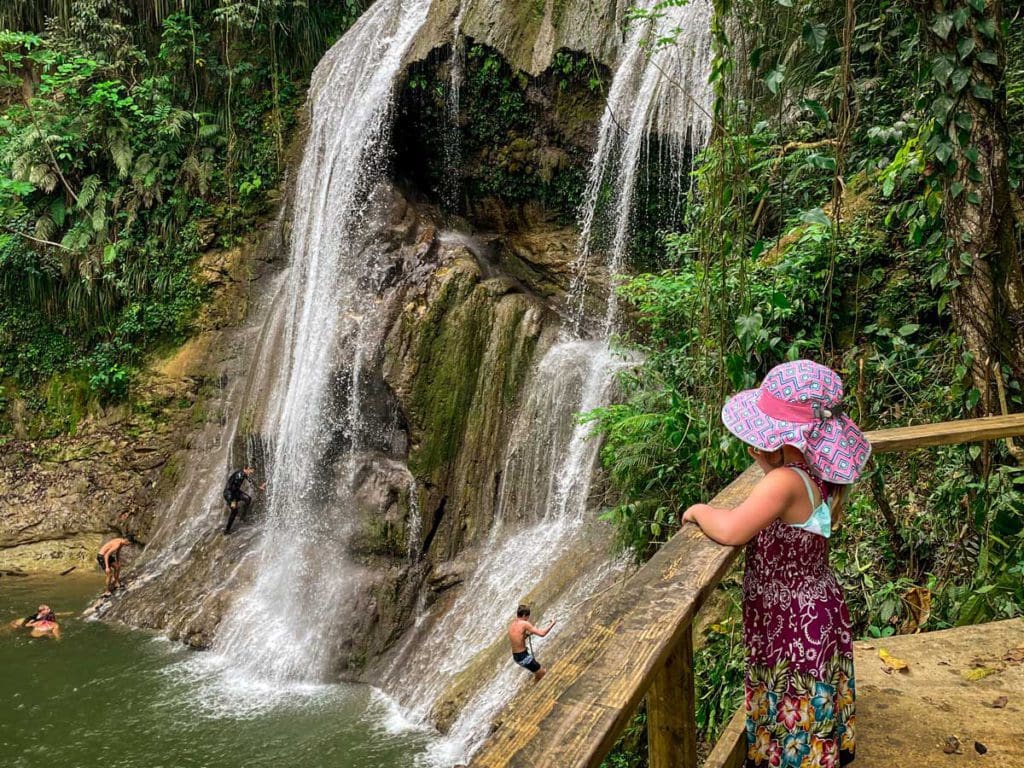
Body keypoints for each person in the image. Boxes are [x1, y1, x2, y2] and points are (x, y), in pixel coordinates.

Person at [682, 360, 869, 768]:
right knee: (804, 694)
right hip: (812, 609)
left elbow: (732, 529)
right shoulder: (815, 474)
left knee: (791, 697)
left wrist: (698, 511)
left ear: (787, 439)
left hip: (793, 621)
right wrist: (772, 462)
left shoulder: (783, 482)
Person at [507, 604, 556, 682]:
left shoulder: (513, 624)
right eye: (527, 617)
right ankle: (536, 687)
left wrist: (525, 635)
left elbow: (517, 637)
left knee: (538, 673)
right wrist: (552, 624)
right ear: (524, 615)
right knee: (542, 673)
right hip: (523, 656)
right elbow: (542, 634)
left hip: (516, 656)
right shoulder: (524, 623)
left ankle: (535, 685)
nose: (527, 619)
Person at [223, 466, 264, 534]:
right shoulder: (239, 475)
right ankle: (227, 530)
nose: (250, 473)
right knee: (234, 511)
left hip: (235, 492)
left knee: (248, 499)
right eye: (250, 471)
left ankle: (243, 516)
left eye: (251, 472)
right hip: (229, 494)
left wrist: (258, 487)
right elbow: (231, 488)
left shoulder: (244, 474)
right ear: (246, 469)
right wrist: (233, 502)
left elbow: (250, 481)